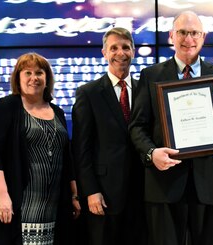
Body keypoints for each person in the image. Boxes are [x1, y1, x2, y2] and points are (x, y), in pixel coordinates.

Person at [129, 11, 213, 245]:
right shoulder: (150, 76)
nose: (189, 39)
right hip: (164, 183)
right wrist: (151, 153)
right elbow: (137, 127)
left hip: (209, 184)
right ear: (171, 36)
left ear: (203, 37)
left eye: (194, 33)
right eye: (182, 32)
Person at [0, 52, 80, 245]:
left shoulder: (58, 112)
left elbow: (67, 158)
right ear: (18, 78)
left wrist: (75, 195)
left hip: (53, 205)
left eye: (39, 72)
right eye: (27, 72)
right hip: (20, 204)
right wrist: (1, 195)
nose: (34, 78)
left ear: (47, 78)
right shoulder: (8, 106)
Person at [72, 27, 146, 245]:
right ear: (104, 53)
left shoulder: (146, 89)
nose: (120, 53)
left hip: (143, 192)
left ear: (133, 51)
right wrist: (91, 191)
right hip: (104, 194)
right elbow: (81, 148)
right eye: (113, 48)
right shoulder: (89, 93)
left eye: (125, 47)